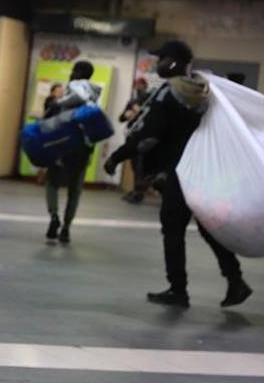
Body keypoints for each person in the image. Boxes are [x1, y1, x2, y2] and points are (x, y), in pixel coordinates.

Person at [104, 40, 252, 309]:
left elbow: (148, 135)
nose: (157, 64)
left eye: (161, 59)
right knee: (208, 227)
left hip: (177, 173)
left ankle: (178, 290)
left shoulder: (168, 93)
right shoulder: (205, 91)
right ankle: (235, 280)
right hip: (204, 171)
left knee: (173, 230)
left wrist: (117, 157)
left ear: (173, 62)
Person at [42, 61, 101, 245]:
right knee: (74, 191)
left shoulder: (69, 94)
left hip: (61, 147)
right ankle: (66, 228)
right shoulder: (94, 96)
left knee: (52, 183)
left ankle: (54, 216)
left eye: (74, 70)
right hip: (82, 151)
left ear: (78, 72)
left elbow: (50, 119)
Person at [119, 77, 152, 203]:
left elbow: (152, 117)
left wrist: (141, 111)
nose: (138, 87)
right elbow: (121, 118)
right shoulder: (132, 101)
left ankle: (139, 192)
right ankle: (135, 189)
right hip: (131, 135)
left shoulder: (149, 101)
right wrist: (127, 114)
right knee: (134, 164)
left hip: (142, 136)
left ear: (145, 85)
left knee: (140, 165)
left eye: (140, 85)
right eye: (136, 85)